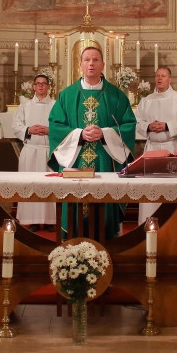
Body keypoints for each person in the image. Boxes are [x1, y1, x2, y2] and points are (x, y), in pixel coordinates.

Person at [48, 46, 136, 239]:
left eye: (95, 60)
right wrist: (79, 134)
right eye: (87, 60)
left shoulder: (117, 96)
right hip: (76, 162)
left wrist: (105, 133)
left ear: (103, 65)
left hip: (105, 161)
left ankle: (106, 244)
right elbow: (55, 126)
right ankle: (72, 244)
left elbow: (128, 126)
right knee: (75, 210)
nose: (91, 64)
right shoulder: (66, 95)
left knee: (104, 208)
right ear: (80, 64)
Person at [135, 66, 177, 225]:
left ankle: (173, 223)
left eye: (163, 76)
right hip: (152, 148)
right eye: (157, 76)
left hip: (171, 147)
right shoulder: (147, 100)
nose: (159, 78)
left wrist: (166, 126)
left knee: (171, 186)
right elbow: (137, 121)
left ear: (170, 79)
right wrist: (148, 126)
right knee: (151, 187)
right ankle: (149, 222)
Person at [12, 74, 56, 231]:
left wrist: (50, 130)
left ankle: (50, 220)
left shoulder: (56, 105)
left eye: (44, 83)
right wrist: (29, 130)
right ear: (34, 87)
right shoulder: (25, 106)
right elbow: (16, 126)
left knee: (50, 185)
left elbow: (63, 126)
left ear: (49, 87)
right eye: (38, 83)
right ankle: (33, 220)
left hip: (49, 151)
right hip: (31, 150)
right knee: (30, 185)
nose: (41, 86)